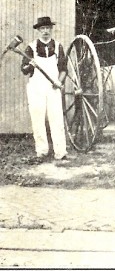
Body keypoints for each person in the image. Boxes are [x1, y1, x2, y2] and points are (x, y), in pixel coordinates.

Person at [21, 16, 68, 162]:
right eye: (42, 29)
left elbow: (63, 69)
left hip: (53, 87)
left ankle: (60, 152)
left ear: (51, 29)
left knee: (57, 119)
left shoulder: (58, 46)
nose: (45, 31)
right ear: (38, 30)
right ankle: (41, 151)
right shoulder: (31, 47)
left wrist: (59, 82)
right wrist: (31, 65)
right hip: (36, 88)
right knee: (38, 119)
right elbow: (24, 70)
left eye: (48, 28)